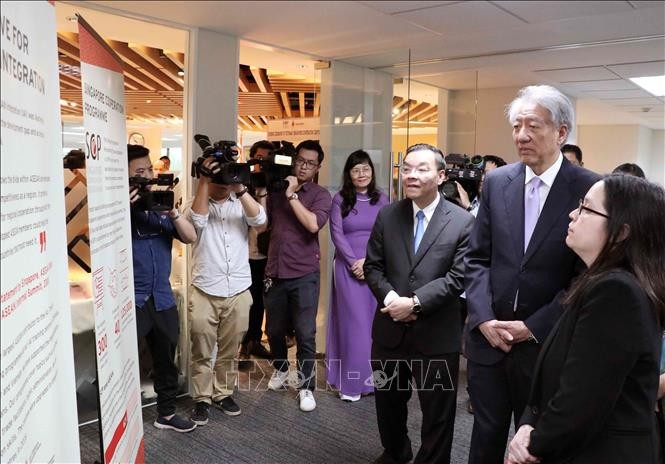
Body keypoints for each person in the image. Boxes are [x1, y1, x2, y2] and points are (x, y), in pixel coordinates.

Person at [464, 85, 600, 464]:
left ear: (561, 132)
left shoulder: (589, 187)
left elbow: (585, 275)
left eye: (533, 126)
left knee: (534, 447)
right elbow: (476, 258)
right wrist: (484, 318)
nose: (521, 136)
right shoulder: (497, 182)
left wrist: (533, 325)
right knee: (485, 436)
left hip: (545, 344)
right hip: (488, 342)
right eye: (516, 126)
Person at [507, 174, 665, 464]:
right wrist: (528, 424)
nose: (573, 213)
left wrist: (532, 444)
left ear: (621, 232)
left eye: (586, 208)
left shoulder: (617, 291)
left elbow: (581, 402)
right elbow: (556, 378)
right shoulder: (599, 281)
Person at [364, 143, 474, 464]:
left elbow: (458, 277)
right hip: (389, 332)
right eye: (407, 168)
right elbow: (373, 266)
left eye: (421, 169)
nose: (411, 175)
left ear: (440, 176)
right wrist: (391, 299)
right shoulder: (388, 215)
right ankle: (396, 452)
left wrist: (414, 303)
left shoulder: (462, 221)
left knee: (437, 413)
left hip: (435, 334)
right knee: (388, 405)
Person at [184, 155, 267, 426]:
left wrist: (240, 188)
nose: (223, 182)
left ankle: (222, 393)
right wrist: (205, 182)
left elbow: (260, 220)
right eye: (216, 177)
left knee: (230, 348)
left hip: (239, 289)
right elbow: (196, 222)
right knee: (202, 347)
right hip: (205, 287)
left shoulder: (241, 202)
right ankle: (201, 398)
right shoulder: (194, 203)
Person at [127, 144, 198, 433]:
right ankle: (120, 419)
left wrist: (173, 213)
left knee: (166, 358)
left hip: (163, 297)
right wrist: (122, 206)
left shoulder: (160, 206)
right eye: (139, 172)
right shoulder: (115, 209)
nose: (148, 176)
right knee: (121, 362)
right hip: (132, 298)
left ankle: (166, 414)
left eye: (150, 169)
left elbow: (190, 237)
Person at [263, 140, 332, 412]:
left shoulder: (320, 194)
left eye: (310, 163)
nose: (303, 167)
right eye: (300, 161)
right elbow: (262, 225)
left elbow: (313, 224)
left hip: (304, 274)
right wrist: (262, 190)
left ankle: (306, 387)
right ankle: (280, 369)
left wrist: (292, 195)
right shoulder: (276, 191)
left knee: (305, 334)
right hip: (274, 271)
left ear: (317, 167)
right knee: (274, 331)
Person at [326, 150, 389, 402]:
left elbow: (388, 233)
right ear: (349, 174)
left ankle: (374, 381)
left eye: (365, 168)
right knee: (354, 326)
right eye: (355, 170)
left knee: (374, 326)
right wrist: (354, 262)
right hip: (347, 268)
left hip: (376, 267)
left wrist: (370, 262)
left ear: (372, 171)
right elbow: (336, 234)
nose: (361, 174)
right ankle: (351, 384)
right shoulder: (340, 199)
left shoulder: (383, 199)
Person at [239, 140, 274, 362]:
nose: (262, 163)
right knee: (246, 302)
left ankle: (255, 341)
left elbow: (265, 224)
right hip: (244, 254)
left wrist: (264, 192)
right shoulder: (241, 183)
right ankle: (244, 346)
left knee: (262, 301)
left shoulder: (275, 186)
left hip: (267, 254)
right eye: (259, 158)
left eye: (267, 159)